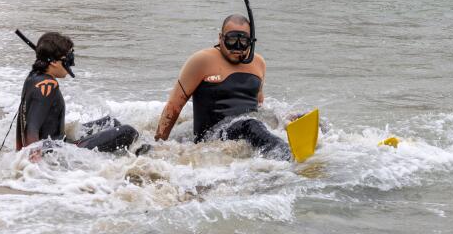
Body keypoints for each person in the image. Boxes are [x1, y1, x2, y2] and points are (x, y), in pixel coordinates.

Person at [154, 12, 291, 159]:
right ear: (221, 38)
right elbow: (174, 105)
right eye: (232, 39)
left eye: (243, 41)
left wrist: (282, 120)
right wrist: (158, 145)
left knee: (290, 118)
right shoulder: (201, 60)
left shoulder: (259, 63)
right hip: (212, 138)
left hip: (248, 132)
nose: (237, 46)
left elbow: (260, 107)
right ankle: (285, 156)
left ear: (251, 41)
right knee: (251, 125)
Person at [16, 32, 139, 159]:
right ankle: (137, 159)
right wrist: (33, 163)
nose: (71, 64)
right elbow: (31, 127)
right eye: (68, 59)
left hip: (59, 142)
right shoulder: (46, 85)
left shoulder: (34, 77)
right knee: (128, 132)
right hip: (59, 153)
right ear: (53, 62)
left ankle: (126, 156)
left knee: (111, 122)